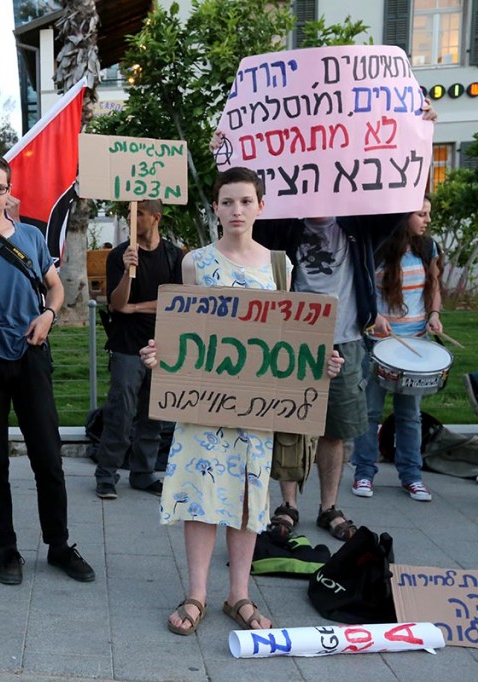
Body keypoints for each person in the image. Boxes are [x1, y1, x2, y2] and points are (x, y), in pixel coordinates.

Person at [141, 167, 344, 635]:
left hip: (255, 411)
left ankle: (239, 595)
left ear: (260, 206)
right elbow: (182, 331)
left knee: (250, 499)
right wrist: (161, 357)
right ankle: (196, 594)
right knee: (201, 496)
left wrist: (319, 364)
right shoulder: (195, 262)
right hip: (201, 406)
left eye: (245, 201)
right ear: (215, 208)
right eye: (228, 202)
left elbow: (288, 336)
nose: (236, 210)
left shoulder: (279, 266)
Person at [242, 104, 438, 541]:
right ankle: (288, 504)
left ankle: (329, 506)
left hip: (346, 339)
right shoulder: (281, 226)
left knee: (336, 429)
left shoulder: (359, 224)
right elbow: (245, 200)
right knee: (289, 423)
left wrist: (420, 135)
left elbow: (403, 193)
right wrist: (227, 151)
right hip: (291, 340)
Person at [0, 153, 95, 586]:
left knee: (48, 456)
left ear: (9, 191)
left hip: (32, 352)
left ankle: (58, 544)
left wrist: (49, 316)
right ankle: (6, 548)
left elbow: (55, 287)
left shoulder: (32, 236)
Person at [352, 197, 441, 502]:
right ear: (404, 216)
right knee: (370, 411)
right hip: (378, 345)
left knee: (410, 414)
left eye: (428, 214)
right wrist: (374, 317)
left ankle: (412, 476)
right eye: (421, 214)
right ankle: (363, 472)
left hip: (416, 345)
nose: (427, 220)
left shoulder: (427, 247)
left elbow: (434, 288)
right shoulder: (377, 248)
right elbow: (360, 288)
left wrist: (434, 315)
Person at [94, 199, 183, 500]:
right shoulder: (119, 254)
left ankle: (143, 474)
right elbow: (117, 304)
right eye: (130, 214)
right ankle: (106, 474)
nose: (133, 220)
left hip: (161, 346)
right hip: (126, 348)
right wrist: (126, 273)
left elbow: (175, 302)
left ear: (155, 218)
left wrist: (136, 308)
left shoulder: (173, 255)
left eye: (139, 214)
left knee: (153, 415)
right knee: (120, 412)